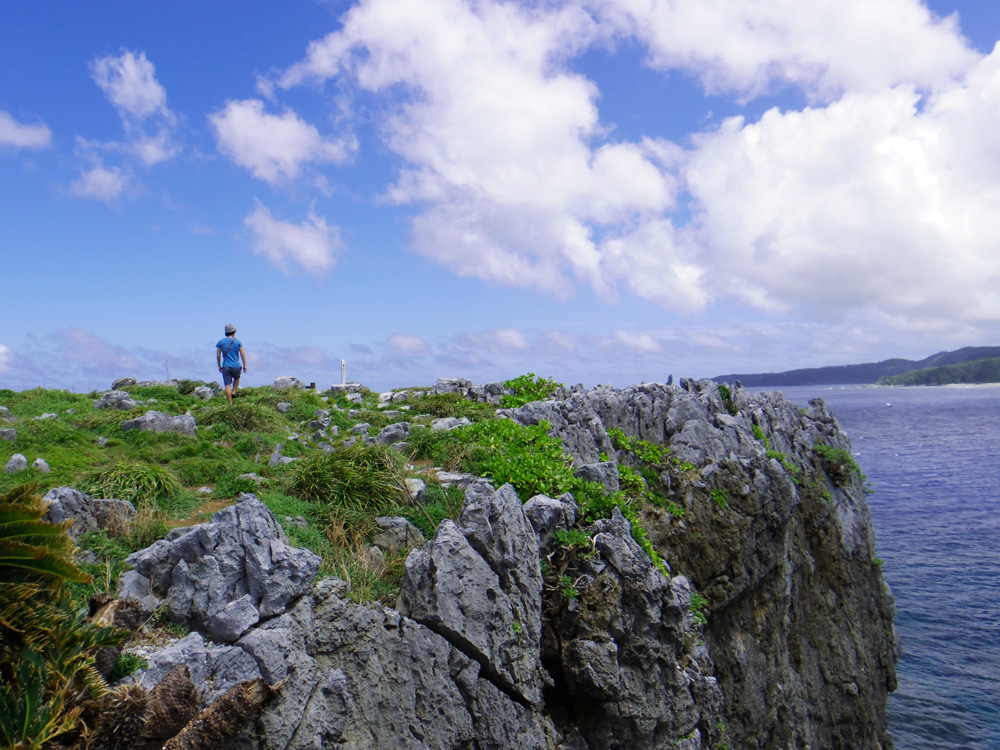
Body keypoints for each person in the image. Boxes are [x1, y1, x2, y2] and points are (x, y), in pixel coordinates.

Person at [216, 324, 247, 405]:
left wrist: (219, 365)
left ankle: (230, 403)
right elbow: (242, 354)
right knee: (237, 378)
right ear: (234, 332)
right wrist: (245, 365)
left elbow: (218, 355)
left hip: (226, 366)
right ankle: (234, 391)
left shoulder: (220, 342)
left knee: (227, 385)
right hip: (236, 366)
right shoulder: (238, 342)